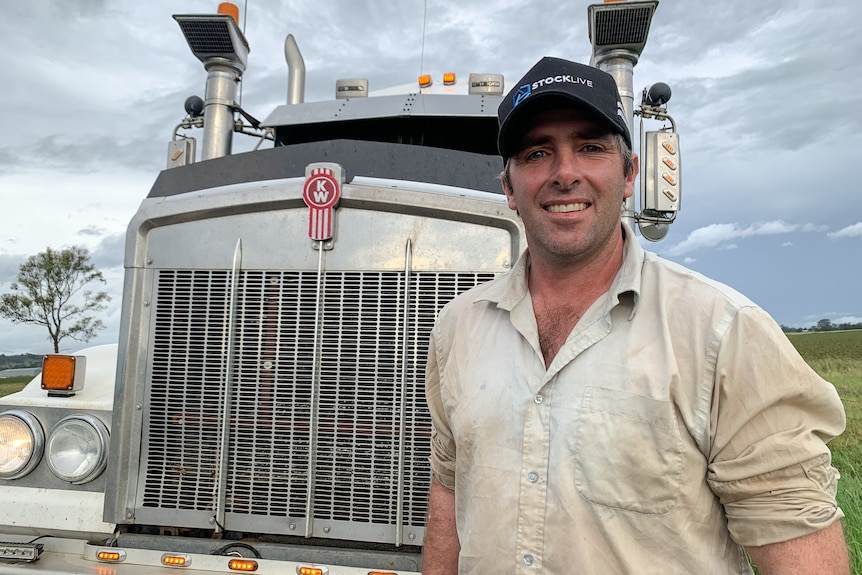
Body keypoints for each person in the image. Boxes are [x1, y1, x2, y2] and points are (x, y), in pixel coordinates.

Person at [422, 56, 849, 574]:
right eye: (536, 153)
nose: (565, 173)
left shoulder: (722, 332)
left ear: (629, 175)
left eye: (591, 147)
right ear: (509, 188)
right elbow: (450, 487)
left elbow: (796, 540)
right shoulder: (458, 328)